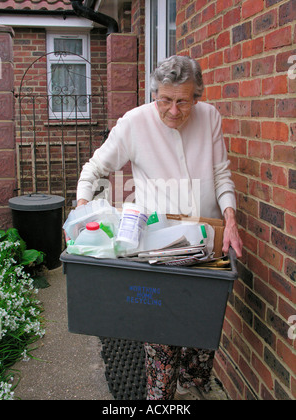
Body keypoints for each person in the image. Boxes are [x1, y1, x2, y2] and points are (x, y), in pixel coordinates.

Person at [76, 55, 243, 400]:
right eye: (164, 100)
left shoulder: (209, 117)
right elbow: (94, 170)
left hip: (206, 247)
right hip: (157, 251)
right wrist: (80, 212)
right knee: (162, 345)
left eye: (182, 101)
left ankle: (192, 386)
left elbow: (221, 174)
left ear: (197, 97)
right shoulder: (134, 123)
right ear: (155, 94)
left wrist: (231, 219)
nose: (173, 110)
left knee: (200, 345)